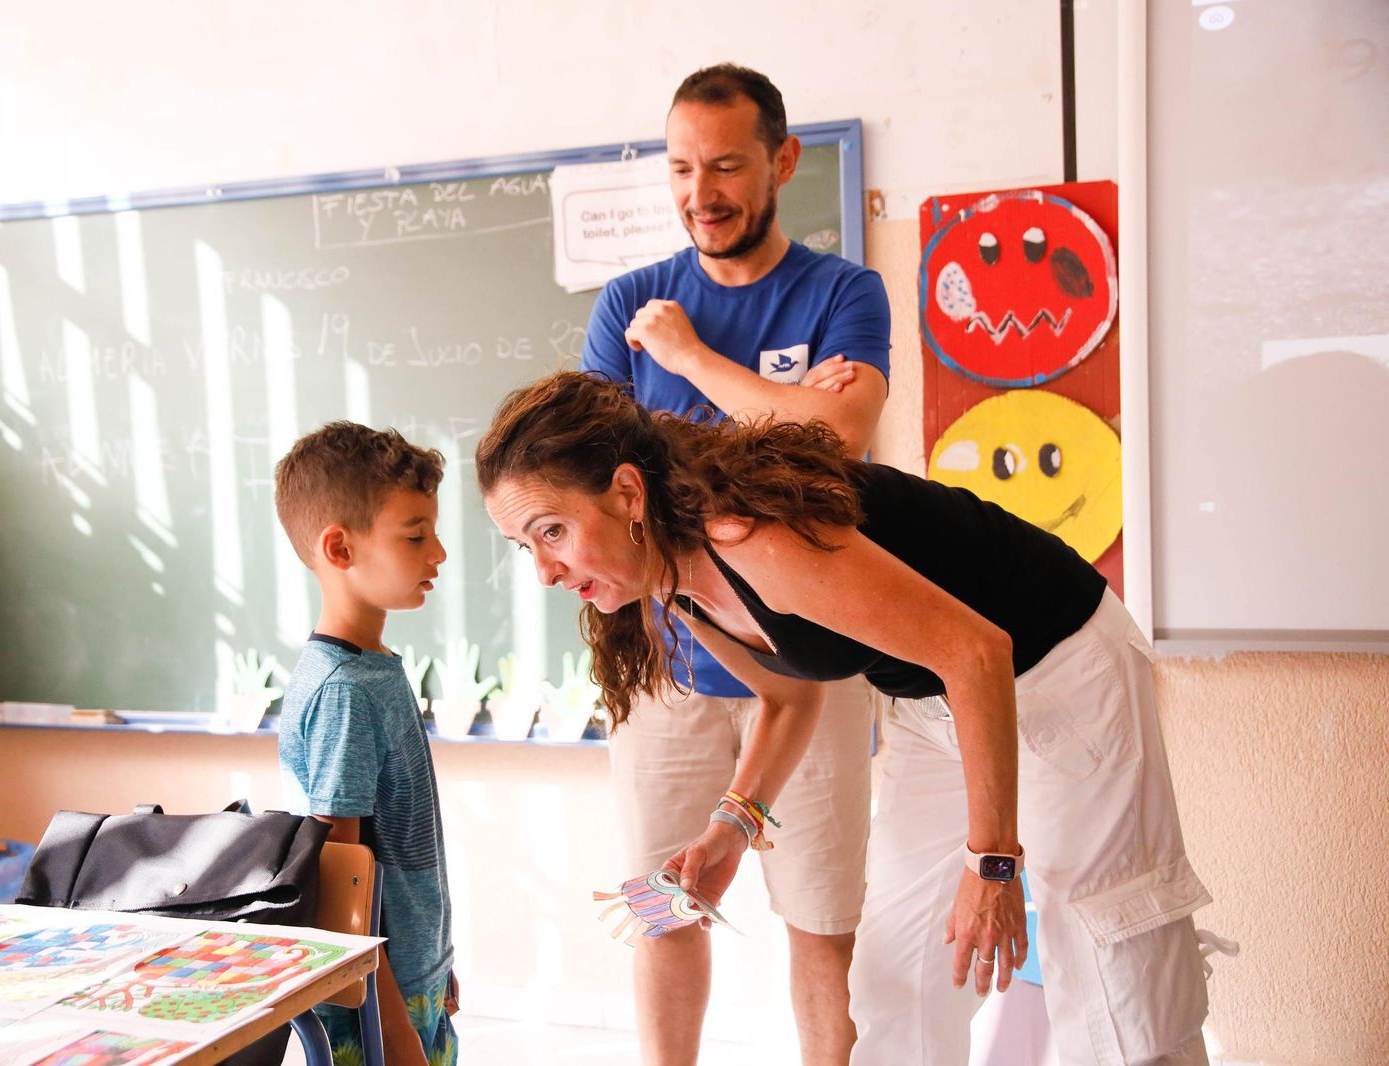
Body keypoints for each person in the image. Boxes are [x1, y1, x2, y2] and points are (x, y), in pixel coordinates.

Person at [477, 371, 1215, 1066]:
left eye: (551, 532)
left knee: (1108, 956)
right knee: (896, 967)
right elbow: (789, 697)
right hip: (936, 700)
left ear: (627, 494)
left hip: (1061, 669)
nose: (543, 572)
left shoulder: (751, 539)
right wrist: (731, 830)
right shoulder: (673, 576)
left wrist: (992, 862)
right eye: (524, 546)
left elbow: (977, 652)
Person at [580, 63, 890, 1066]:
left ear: (781, 162)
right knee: (662, 905)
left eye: (723, 166)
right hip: (663, 666)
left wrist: (693, 365)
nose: (698, 193)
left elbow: (835, 440)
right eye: (679, 167)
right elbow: (595, 482)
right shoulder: (627, 300)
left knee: (821, 920)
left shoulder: (843, 291)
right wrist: (777, 411)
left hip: (815, 657)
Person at [274, 423, 458, 1066]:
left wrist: (434, 970)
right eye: (415, 535)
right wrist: (392, 1018)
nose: (437, 553)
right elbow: (338, 877)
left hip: (409, 979)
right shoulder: (345, 688)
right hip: (373, 1001)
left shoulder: (374, 668)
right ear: (339, 547)